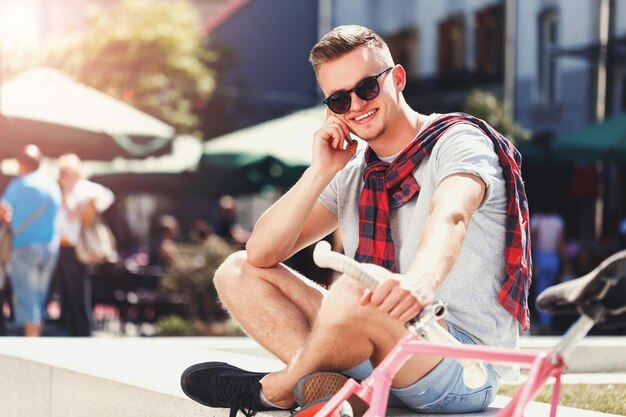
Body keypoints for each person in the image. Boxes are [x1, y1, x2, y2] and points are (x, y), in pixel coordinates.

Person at [181, 25, 532, 416]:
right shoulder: (352, 172)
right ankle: (324, 386)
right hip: (376, 354)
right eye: (339, 99)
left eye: (367, 88)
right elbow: (261, 252)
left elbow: (451, 215)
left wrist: (419, 282)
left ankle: (274, 389)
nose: (357, 105)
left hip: (459, 365)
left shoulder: (458, 141)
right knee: (235, 270)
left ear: (397, 79)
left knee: (356, 288)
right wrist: (320, 170)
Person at [0, 145, 61, 337]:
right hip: (50, 247)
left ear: (21, 163)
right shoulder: (52, 184)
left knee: (27, 299)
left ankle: (32, 346)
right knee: (40, 298)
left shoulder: (20, 185)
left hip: (25, 247)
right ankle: (36, 340)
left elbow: (3, 210)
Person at [53, 153, 114, 336]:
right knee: (66, 293)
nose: (64, 176)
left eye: (68, 172)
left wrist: (85, 204)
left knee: (78, 292)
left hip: (77, 249)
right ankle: (70, 331)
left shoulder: (84, 189)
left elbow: (107, 198)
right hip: (61, 247)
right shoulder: (62, 191)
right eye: (62, 172)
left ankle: (83, 332)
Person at [530, 211, 568, 333]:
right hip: (554, 259)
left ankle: (544, 324)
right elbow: (560, 245)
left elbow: (530, 241)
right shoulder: (557, 221)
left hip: (541, 257)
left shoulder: (537, 219)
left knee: (540, 291)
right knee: (551, 291)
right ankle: (548, 323)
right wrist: (566, 264)